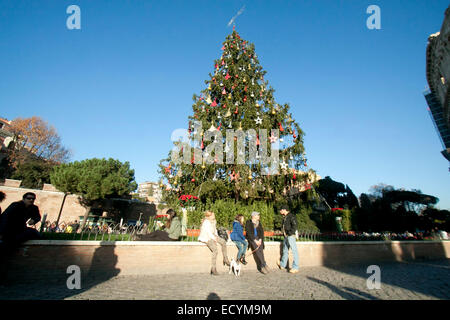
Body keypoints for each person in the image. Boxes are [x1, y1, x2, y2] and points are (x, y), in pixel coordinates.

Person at [198, 210, 230, 275]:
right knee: (215, 250)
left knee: (223, 242)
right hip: (206, 237)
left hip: (213, 236)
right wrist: (214, 239)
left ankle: (225, 258)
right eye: (213, 215)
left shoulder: (214, 221)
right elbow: (208, 232)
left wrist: (217, 237)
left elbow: (214, 230)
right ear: (209, 216)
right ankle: (213, 268)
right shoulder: (206, 222)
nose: (214, 216)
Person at [277, 205, 299, 274]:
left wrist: (289, 233)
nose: (280, 211)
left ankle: (295, 267)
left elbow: (295, 225)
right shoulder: (285, 217)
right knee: (285, 250)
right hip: (286, 236)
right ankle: (282, 264)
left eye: (281, 210)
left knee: (294, 251)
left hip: (290, 236)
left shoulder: (291, 216)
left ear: (284, 209)